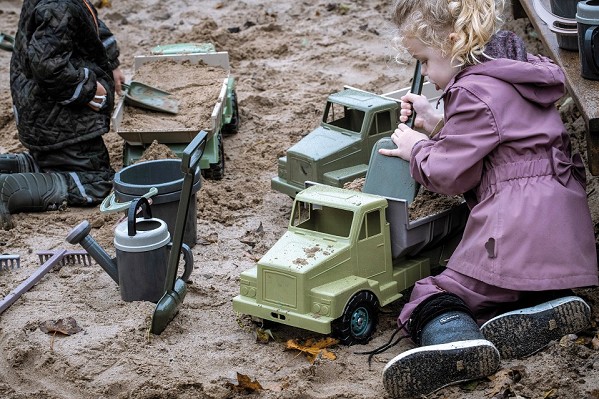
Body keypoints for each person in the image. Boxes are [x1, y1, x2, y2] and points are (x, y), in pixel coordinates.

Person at [377, 0, 599, 397]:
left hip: (514, 225)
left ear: (453, 41)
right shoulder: (518, 73)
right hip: (564, 227)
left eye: (424, 61)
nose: (425, 73)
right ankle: (548, 302)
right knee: (521, 280)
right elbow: (502, 137)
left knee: (434, 294)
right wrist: (437, 122)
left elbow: (450, 174)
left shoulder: (471, 90)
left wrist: (417, 149)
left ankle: (455, 344)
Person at [1, 0, 126, 230]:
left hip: (41, 112)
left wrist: (112, 61)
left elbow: (87, 21)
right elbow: (48, 66)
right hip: (57, 119)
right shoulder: (58, 5)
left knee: (57, 163)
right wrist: (88, 90)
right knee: (95, 180)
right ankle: (7, 189)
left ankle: (30, 166)